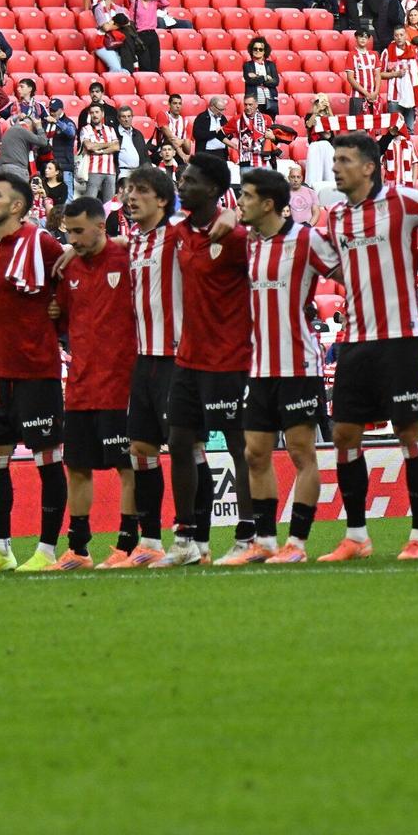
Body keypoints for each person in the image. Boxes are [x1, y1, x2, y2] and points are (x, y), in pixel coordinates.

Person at [317, 133, 418, 561]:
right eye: (334, 159)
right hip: (355, 341)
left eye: (344, 159)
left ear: (369, 167)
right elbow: (328, 262)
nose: (336, 167)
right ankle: (357, 536)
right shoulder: (333, 217)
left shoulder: (403, 201)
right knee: (346, 434)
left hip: (402, 339)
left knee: (409, 430)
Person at [230, 168, 336, 564]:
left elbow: (346, 274)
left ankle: (298, 544)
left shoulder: (306, 238)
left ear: (269, 203)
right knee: (255, 452)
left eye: (247, 196)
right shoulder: (248, 245)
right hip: (259, 366)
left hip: (299, 364)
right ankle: (266, 542)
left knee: (300, 451)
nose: (240, 202)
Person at [156, 154, 255, 567]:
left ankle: (248, 534)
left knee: (237, 445)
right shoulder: (178, 232)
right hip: (188, 357)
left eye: (190, 180)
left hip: (228, 358)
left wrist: (237, 218)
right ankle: (189, 539)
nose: (182, 184)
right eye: (182, 177)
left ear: (213, 189)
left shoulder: (235, 238)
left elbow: (271, 255)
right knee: (180, 442)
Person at [0, 173, 69, 570]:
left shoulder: (41, 242)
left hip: (36, 371)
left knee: (47, 461)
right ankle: (1, 550)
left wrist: (59, 308)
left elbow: (74, 268)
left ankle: (46, 551)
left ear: (17, 206)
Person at [52, 196, 137, 570]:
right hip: (81, 385)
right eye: (68, 231)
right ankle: (79, 548)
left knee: (127, 466)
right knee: (78, 466)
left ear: (102, 226)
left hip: (120, 383)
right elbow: (61, 319)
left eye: (78, 231)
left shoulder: (127, 259)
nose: (72, 239)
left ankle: (128, 545)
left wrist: (122, 243)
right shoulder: (67, 269)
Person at [121, 166, 183, 565]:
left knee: (183, 448)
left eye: (140, 191)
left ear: (161, 199)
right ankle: (152, 541)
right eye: (128, 190)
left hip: (177, 357)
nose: (130, 197)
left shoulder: (180, 235)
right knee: (141, 449)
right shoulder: (134, 243)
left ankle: (195, 537)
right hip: (144, 358)